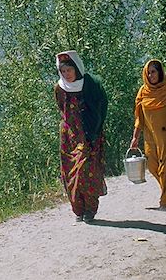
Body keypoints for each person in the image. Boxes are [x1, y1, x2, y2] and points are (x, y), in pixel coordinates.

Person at [54, 50, 109, 222]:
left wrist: (95, 130)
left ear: (77, 68)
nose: (66, 74)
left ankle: (90, 210)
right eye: (63, 71)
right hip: (69, 137)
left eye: (69, 70)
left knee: (85, 171)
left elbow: (102, 107)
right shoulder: (59, 89)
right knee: (70, 173)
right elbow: (62, 109)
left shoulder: (91, 85)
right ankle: (79, 210)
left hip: (89, 135)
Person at [129, 59, 166, 210]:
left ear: (160, 73)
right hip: (150, 137)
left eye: (153, 72)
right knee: (153, 167)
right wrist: (135, 137)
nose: (150, 75)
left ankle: (164, 201)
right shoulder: (143, 92)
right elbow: (139, 118)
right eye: (148, 72)